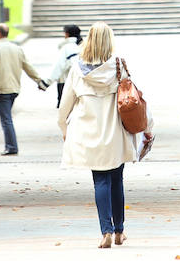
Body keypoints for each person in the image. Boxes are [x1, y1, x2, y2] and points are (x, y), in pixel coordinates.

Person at [58, 22, 154, 248]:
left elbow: (64, 107)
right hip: (116, 133)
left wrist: (64, 130)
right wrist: (148, 128)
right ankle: (119, 230)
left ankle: (106, 231)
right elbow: (136, 99)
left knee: (100, 181)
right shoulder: (119, 66)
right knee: (116, 180)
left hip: (90, 133)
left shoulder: (77, 69)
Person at [0, 24, 47, 156]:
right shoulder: (17, 49)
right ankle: (10, 146)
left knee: (6, 119)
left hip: (2, 88)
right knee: (7, 117)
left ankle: (11, 147)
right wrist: (39, 81)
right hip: (14, 88)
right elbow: (28, 67)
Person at [49, 24, 84, 108]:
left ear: (67, 34)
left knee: (65, 108)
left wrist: (46, 83)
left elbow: (59, 66)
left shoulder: (67, 47)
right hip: (81, 83)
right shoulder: (83, 46)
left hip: (65, 83)